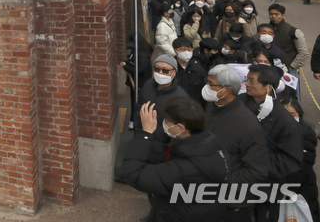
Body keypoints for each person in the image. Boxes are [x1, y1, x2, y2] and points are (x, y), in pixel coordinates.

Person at [122, 97, 229, 220]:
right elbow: (172, 153)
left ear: (180, 128)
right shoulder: (211, 143)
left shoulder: (185, 169)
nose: (164, 123)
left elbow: (134, 174)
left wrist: (145, 134)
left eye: (167, 121)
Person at [203, 65, 270, 220]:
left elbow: (257, 170)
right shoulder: (213, 106)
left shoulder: (248, 125)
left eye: (210, 84)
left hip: (232, 203)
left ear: (226, 90)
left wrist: (221, 182)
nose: (206, 87)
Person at [240, 64, 303, 222]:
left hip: (266, 188)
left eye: (252, 81)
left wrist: (256, 165)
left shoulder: (285, 121)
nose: (246, 84)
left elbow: (290, 160)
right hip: (236, 182)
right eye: (247, 80)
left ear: (268, 87)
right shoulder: (237, 105)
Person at [132, 54, 188, 142]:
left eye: (165, 70)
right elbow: (139, 105)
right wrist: (137, 126)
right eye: (157, 69)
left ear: (174, 73)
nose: (160, 73)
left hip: (161, 144)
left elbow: (179, 126)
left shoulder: (180, 97)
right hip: (141, 135)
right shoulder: (148, 84)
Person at [280, 97, 319, 221]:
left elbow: (302, 168)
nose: (288, 119)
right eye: (284, 115)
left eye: (292, 115)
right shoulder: (276, 132)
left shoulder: (305, 135)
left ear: (299, 115)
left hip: (300, 192)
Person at [269, 3, 309, 87]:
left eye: (276, 14)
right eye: (271, 14)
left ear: (283, 15)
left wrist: (290, 67)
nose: (273, 16)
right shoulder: (265, 29)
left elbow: (303, 53)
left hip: (289, 70)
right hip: (269, 68)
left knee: (292, 96)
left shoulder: (293, 31)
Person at [173, 37, 206, 105]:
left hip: (193, 106)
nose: (187, 52)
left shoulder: (197, 68)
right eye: (183, 49)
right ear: (175, 51)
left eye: (189, 49)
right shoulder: (170, 68)